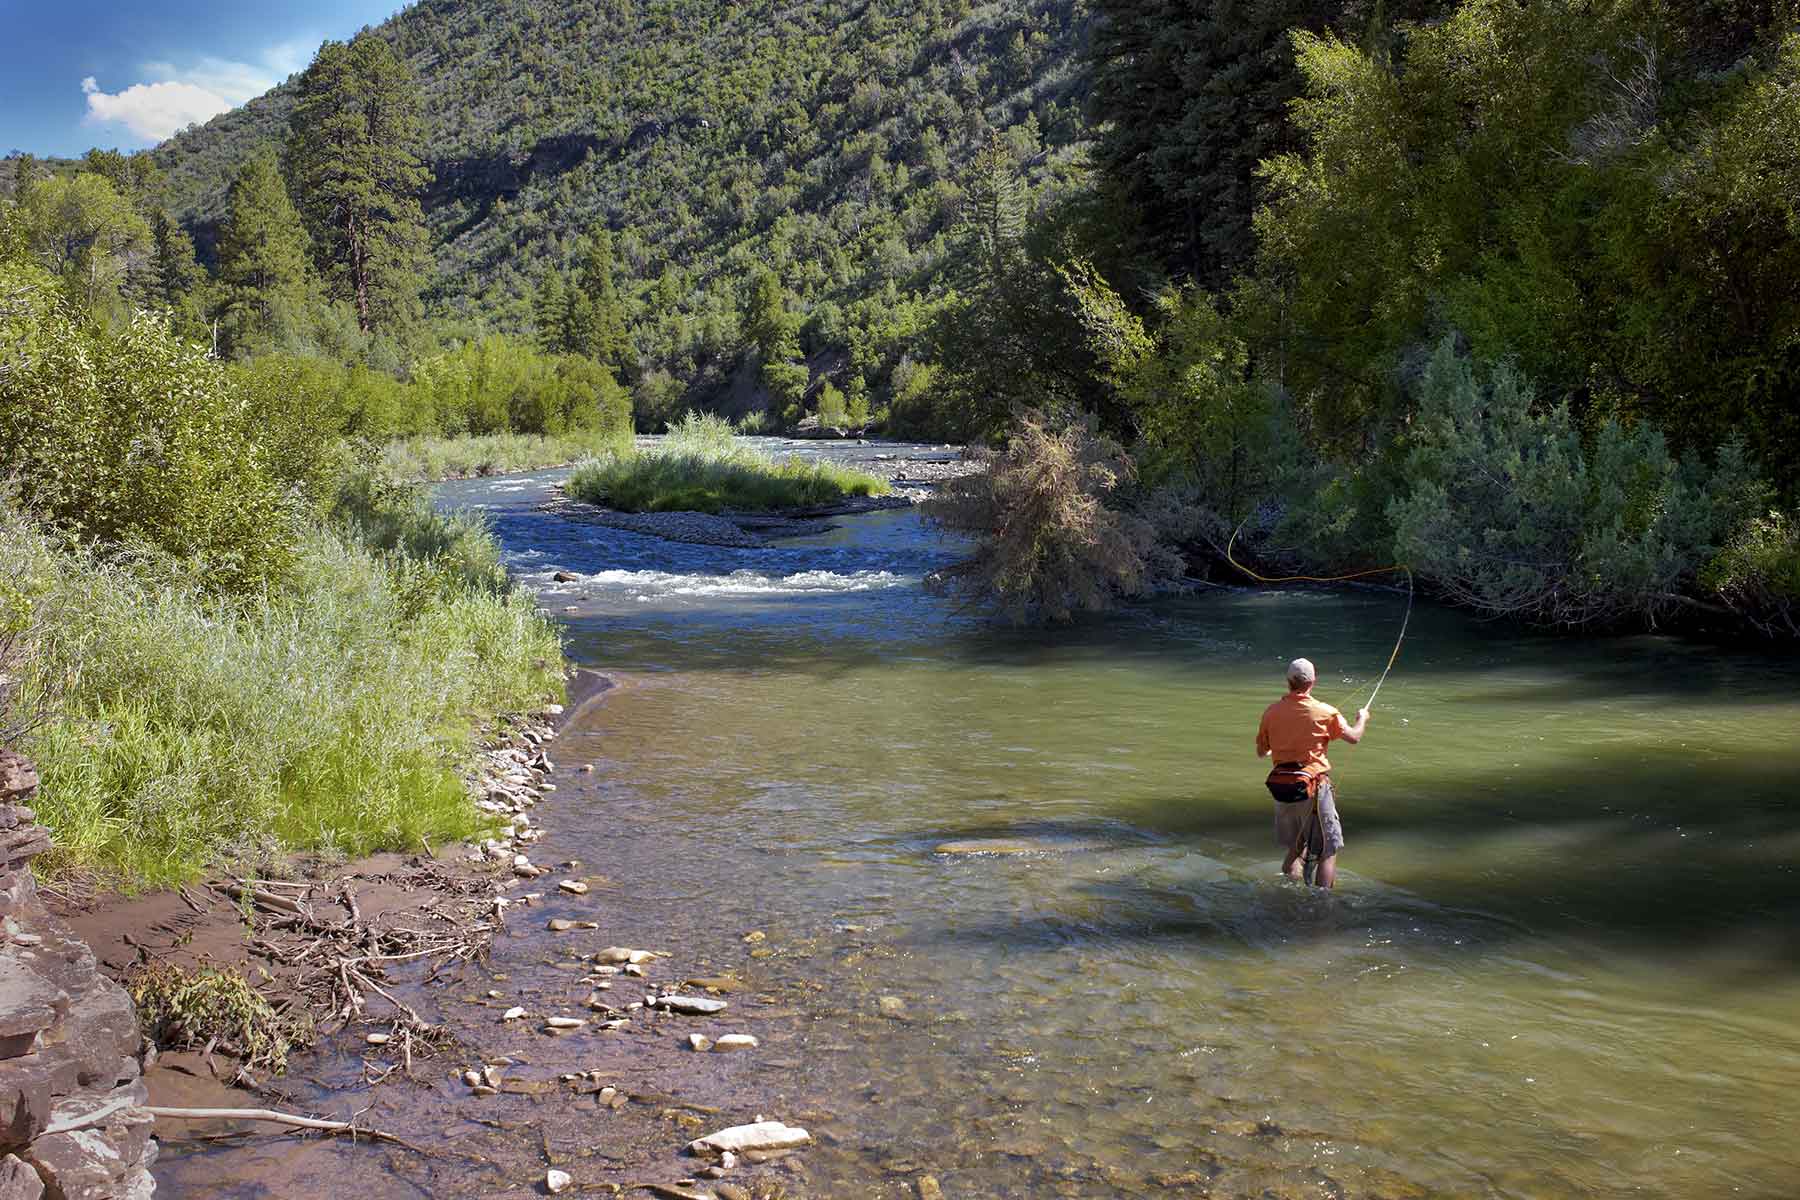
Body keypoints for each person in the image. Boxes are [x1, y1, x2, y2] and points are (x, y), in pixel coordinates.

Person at [1255, 657, 1369, 889]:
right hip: (1313, 788)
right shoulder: (1325, 712)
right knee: (1328, 849)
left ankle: (1290, 887)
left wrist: (1276, 749)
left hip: (1282, 789)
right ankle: (1321, 904)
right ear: (1313, 682)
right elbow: (1354, 737)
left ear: (1288, 681)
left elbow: (1261, 752)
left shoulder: (1271, 713)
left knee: (1296, 846)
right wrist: (1362, 719)